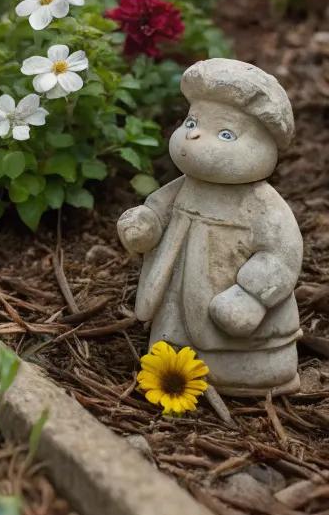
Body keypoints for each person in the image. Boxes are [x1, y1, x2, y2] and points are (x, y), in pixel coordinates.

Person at [117, 58, 302, 396]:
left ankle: (245, 377)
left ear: (268, 147)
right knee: (172, 330)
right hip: (177, 300)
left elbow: (281, 254)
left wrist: (251, 296)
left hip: (235, 314)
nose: (194, 134)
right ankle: (169, 364)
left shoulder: (263, 204)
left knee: (233, 344)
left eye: (226, 133)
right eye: (191, 121)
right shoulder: (182, 187)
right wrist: (145, 225)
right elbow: (157, 211)